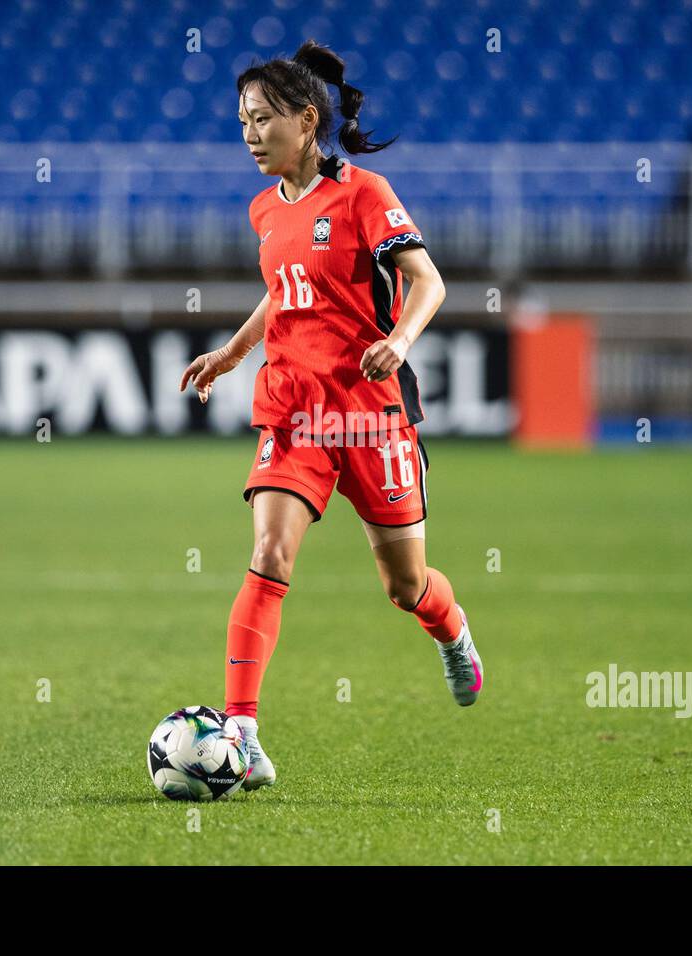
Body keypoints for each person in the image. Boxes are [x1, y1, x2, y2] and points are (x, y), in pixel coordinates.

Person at [179, 41, 483, 791]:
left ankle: (452, 632)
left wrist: (399, 338)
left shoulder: (364, 193)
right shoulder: (263, 209)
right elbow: (283, 292)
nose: (249, 135)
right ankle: (242, 733)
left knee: (405, 586)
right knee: (270, 556)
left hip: (372, 419)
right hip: (294, 415)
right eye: (241, 122)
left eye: (261, 120)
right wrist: (233, 352)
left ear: (307, 120)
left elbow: (428, 281)